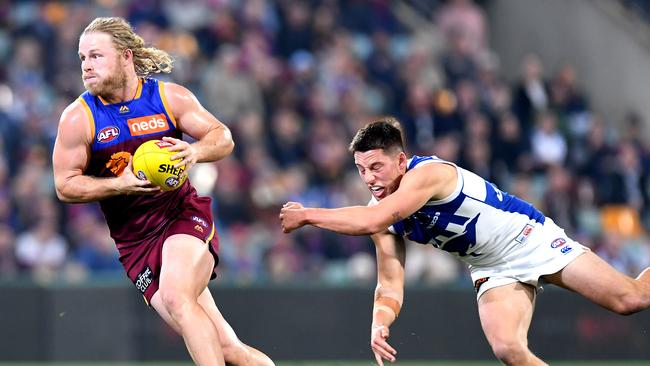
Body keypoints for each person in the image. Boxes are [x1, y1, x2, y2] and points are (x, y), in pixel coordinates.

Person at [279, 117, 650, 366]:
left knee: (630, 299)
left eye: (376, 167)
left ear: (401, 161)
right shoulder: (379, 213)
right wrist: (380, 322)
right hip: (490, 267)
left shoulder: (429, 175)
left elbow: (375, 218)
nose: (369, 178)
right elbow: (389, 285)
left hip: (529, 238)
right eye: (361, 170)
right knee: (508, 349)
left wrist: (310, 214)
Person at [52, 17, 274, 366]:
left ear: (126, 57)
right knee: (228, 349)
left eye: (96, 56)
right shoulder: (78, 118)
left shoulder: (169, 98)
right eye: (82, 58)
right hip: (136, 244)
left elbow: (223, 137)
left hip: (181, 216)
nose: (86, 66)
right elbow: (65, 186)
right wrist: (118, 184)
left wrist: (195, 152)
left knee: (176, 296)